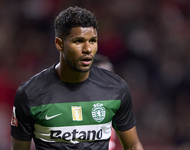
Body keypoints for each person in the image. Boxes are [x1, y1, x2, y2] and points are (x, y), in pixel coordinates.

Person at [10, 6, 144, 150]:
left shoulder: (116, 88)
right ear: (59, 44)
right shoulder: (30, 93)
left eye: (93, 41)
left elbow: (132, 146)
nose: (87, 49)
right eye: (78, 41)